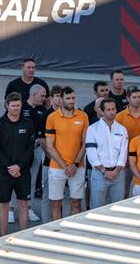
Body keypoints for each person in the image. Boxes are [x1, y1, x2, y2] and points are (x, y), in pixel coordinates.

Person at [0, 93, 35, 234]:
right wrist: (10, 167)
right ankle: (3, 236)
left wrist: (19, 166)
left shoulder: (28, 123)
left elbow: (30, 149)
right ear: (7, 105)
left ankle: (23, 235)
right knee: (4, 204)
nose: (16, 108)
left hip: (23, 172)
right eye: (13, 106)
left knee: (23, 204)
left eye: (18, 105)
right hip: (5, 172)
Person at [44, 87, 88, 221]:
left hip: (78, 167)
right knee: (56, 203)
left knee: (76, 202)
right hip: (57, 168)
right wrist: (65, 166)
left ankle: (73, 232)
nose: (71, 101)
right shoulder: (52, 117)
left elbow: (85, 144)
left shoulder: (83, 116)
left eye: (73, 98)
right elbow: (50, 146)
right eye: (68, 98)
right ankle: (56, 232)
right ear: (61, 99)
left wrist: (74, 165)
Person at [85, 98, 128, 208]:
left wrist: (116, 171)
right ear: (102, 112)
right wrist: (104, 171)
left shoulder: (122, 129)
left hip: (118, 174)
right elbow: (91, 154)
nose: (112, 112)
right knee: (97, 207)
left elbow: (123, 152)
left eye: (113, 109)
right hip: (100, 174)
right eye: (108, 109)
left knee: (118, 207)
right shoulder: (92, 129)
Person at [19, 85, 46, 222]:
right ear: (34, 94)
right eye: (42, 95)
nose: (44, 98)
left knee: (32, 180)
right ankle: (12, 209)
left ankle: (29, 208)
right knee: (16, 179)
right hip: (20, 151)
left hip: (36, 149)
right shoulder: (21, 108)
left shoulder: (42, 110)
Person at [115, 87, 140, 196]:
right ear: (128, 98)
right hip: (126, 161)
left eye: (139, 97)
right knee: (124, 192)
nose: (137, 99)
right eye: (134, 97)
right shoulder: (119, 117)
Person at [38, 86, 62, 224]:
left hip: (66, 163)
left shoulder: (68, 115)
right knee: (47, 194)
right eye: (56, 95)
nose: (59, 98)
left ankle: (62, 220)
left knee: (63, 195)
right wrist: (53, 158)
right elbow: (42, 141)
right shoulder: (45, 116)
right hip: (49, 162)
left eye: (61, 95)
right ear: (52, 98)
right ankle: (46, 222)